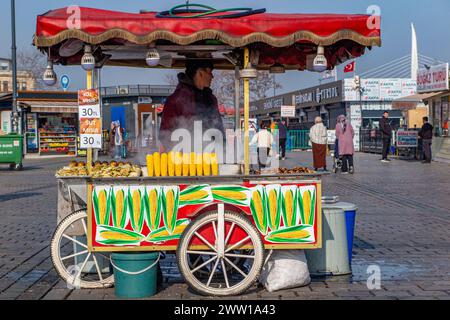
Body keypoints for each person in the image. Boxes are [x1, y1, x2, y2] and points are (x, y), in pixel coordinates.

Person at [159, 59, 225, 152]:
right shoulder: (175, 100)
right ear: (200, 73)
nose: (212, 76)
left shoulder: (212, 99)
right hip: (183, 161)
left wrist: (224, 151)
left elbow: (219, 129)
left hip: (211, 158)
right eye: (210, 72)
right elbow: (165, 135)